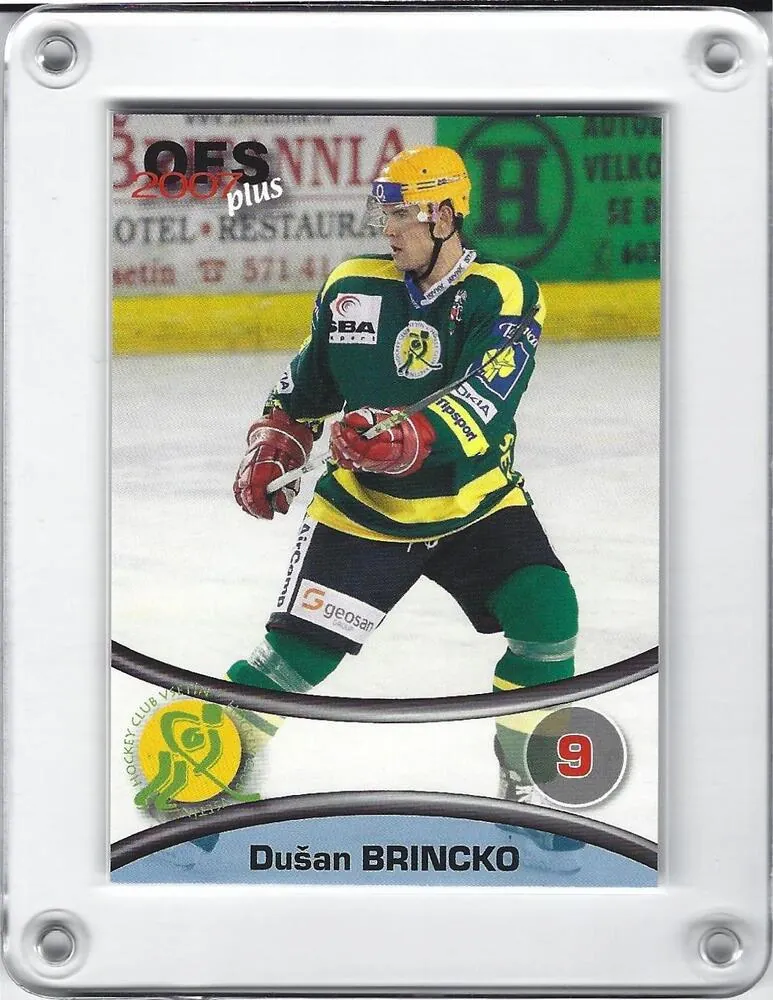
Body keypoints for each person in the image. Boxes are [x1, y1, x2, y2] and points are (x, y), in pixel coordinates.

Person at [229, 146, 582, 867]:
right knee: (294, 661)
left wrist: (404, 436)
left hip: (477, 504)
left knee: (547, 613)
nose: (387, 228)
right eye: (383, 213)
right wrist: (277, 442)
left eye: (402, 214)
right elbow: (306, 387)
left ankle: (527, 779)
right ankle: (207, 780)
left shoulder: (502, 292)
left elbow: (487, 395)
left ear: (445, 215)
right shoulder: (353, 286)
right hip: (366, 513)